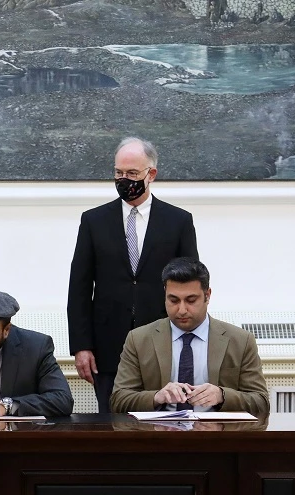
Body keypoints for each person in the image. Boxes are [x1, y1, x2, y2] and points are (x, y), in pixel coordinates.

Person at [67, 137, 198, 413]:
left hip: (163, 344)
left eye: (132, 173)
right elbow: (79, 287)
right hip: (108, 348)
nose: (124, 180)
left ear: (151, 174)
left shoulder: (178, 221)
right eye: (119, 173)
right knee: (113, 424)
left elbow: (191, 285)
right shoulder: (93, 221)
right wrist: (81, 346)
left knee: (165, 423)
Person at [109, 258, 269, 417]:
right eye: (173, 300)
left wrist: (222, 395)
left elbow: (261, 402)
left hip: (216, 430)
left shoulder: (240, 341)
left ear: (207, 296)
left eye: (191, 300)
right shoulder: (138, 340)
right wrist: (157, 397)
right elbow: (118, 400)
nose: (182, 310)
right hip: (159, 430)